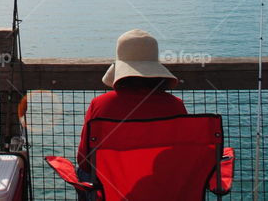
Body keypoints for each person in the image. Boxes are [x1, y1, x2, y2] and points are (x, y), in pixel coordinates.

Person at [76, 29, 186, 194]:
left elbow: (84, 161)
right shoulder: (175, 106)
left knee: (82, 173)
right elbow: (183, 158)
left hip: (113, 193)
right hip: (164, 191)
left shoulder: (101, 104)